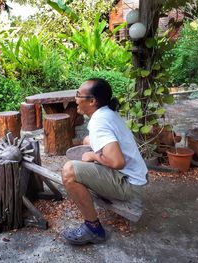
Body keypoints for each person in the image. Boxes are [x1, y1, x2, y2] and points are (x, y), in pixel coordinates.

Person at [61, 78, 148, 245]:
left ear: (92, 101)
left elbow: (117, 162)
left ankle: (93, 229)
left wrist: (93, 156)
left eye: (78, 95)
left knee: (69, 171)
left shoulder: (99, 122)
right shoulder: (106, 113)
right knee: (87, 140)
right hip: (135, 177)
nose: (75, 98)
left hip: (128, 184)